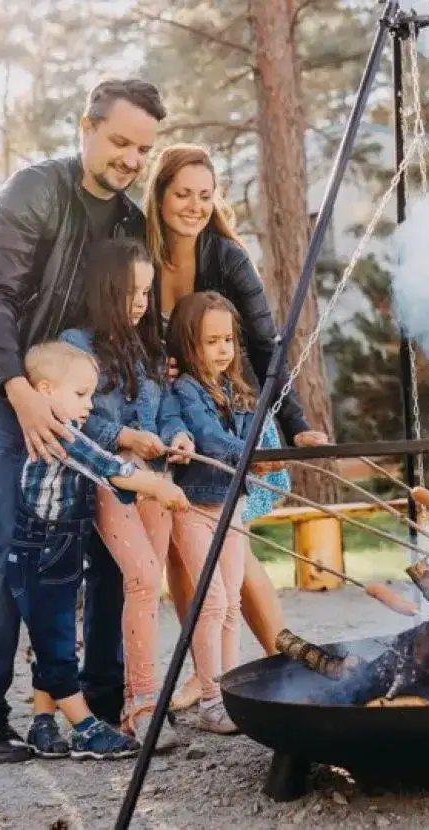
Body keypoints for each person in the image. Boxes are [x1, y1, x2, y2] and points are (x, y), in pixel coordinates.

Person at [0, 77, 166, 762]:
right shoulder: (35, 190)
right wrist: (18, 389)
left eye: (143, 148)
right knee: (6, 545)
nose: (131, 158)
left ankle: (94, 705)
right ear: (87, 126)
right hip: (4, 389)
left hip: (81, 401)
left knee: (99, 545)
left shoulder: (131, 220)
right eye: (120, 140)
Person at [141, 143, 329, 710]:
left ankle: (282, 660)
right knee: (185, 551)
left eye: (205, 194)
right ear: (159, 195)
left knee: (231, 546)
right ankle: (209, 671)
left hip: (230, 414)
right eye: (182, 194)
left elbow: (269, 345)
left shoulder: (226, 257)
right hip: (170, 419)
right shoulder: (139, 257)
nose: (194, 206)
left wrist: (296, 424)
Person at [8, 341, 188, 760]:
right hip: (42, 549)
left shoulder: (62, 425)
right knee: (56, 641)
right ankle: (86, 728)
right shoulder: (61, 434)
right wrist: (159, 486)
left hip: (59, 546)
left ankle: (42, 722)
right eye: (81, 394)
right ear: (48, 391)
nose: (89, 405)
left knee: (51, 635)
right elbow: (111, 468)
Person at [59, 237, 192, 750]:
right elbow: (75, 420)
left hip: (157, 479)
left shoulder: (150, 346)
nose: (140, 302)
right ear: (106, 289)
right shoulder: (77, 343)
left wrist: (179, 436)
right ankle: (140, 705)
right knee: (139, 578)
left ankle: (144, 698)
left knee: (148, 585)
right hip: (108, 482)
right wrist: (124, 439)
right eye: (131, 291)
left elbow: (167, 409)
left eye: (146, 291)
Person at [166, 291, 285, 733]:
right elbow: (209, 439)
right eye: (210, 341)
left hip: (229, 504)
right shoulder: (186, 391)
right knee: (212, 600)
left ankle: (231, 693)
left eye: (227, 340)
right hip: (196, 506)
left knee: (232, 599)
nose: (222, 350)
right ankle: (212, 697)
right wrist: (256, 455)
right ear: (187, 343)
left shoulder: (232, 388)